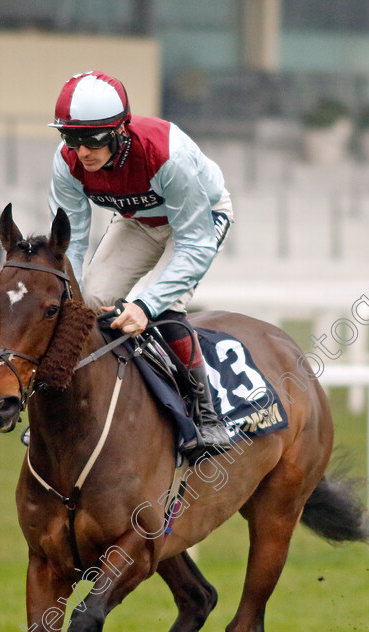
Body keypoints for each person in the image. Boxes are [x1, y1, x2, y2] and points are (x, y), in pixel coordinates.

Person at [48, 70, 233, 454]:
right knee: (88, 302)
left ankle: (206, 414)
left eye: (93, 138)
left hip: (198, 220)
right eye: (71, 137)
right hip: (138, 221)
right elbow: (72, 244)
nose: (82, 151)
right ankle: (75, 409)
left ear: (120, 130)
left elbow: (195, 246)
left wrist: (145, 305)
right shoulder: (66, 163)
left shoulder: (168, 155)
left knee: (163, 307)